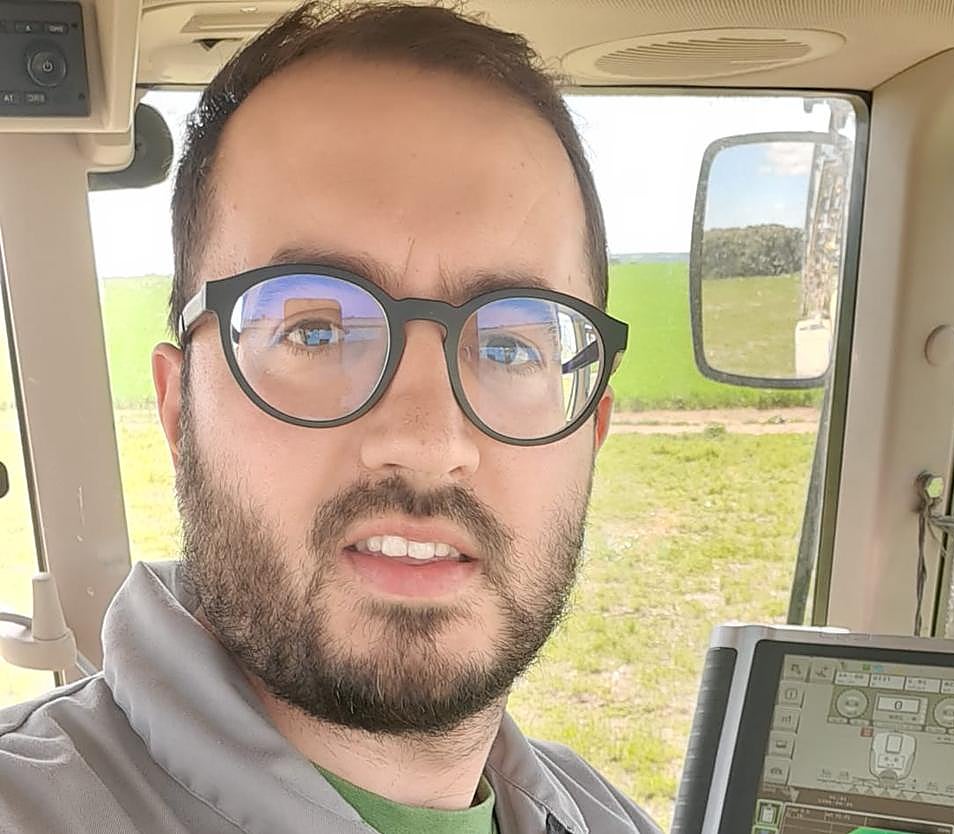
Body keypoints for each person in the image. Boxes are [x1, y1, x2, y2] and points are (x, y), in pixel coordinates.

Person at [0, 3, 660, 833]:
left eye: (510, 347)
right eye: (314, 330)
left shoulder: (605, 814)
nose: (426, 442)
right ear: (181, 412)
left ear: (590, 430)